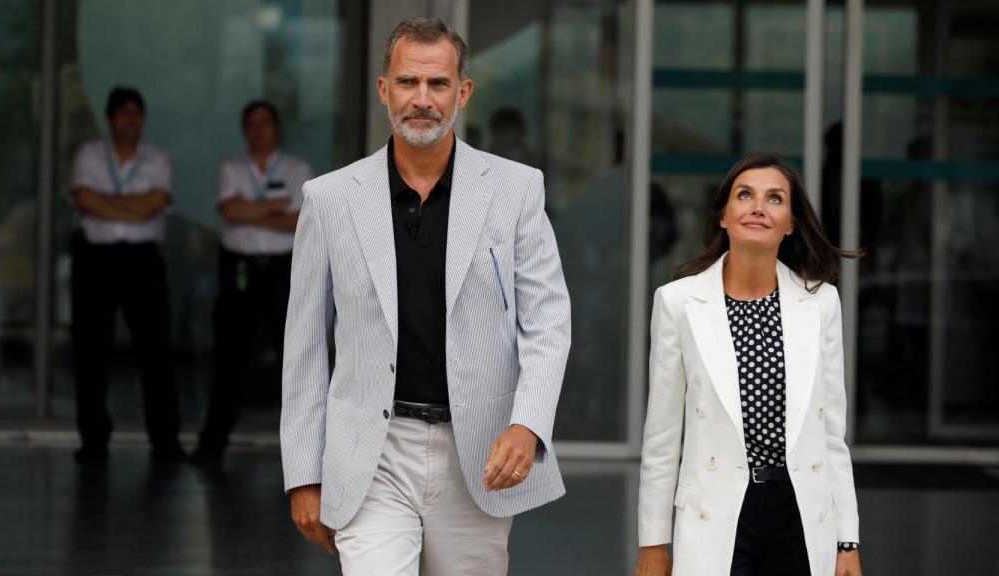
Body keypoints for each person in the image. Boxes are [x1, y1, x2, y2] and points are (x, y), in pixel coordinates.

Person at [281, 17, 571, 575]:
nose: (422, 99)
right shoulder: (329, 199)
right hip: (372, 451)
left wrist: (528, 423)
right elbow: (305, 349)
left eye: (438, 83)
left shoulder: (515, 190)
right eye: (408, 82)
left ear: (463, 92)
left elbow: (548, 321)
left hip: (478, 453)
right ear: (383, 89)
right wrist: (304, 474)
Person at [635, 153, 863, 576]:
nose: (758, 207)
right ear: (724, 216)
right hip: (713, 512)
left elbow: (833, 434)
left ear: (790, 223)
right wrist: (653, 542)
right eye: (745, 195)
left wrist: (847, 541)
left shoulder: (820, 302)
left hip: (800, 512)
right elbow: (661, 436)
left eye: (775, 198)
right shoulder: (678, 302)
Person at [191, 101, 313, 467]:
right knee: (230, 355)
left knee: (295, 359)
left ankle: (306, 453)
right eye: (252, 124)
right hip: (240, 267)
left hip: (283, 268)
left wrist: (251, 211)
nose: (259, 130)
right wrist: (275, 207)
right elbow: (230, 212)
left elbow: (300, 219)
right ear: (245, 130)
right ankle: (212, 445)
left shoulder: (297, 169)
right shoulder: (232, 167)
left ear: (277, 128)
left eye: (266, 122)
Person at [69, 86, 183, 463]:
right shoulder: (89, 154)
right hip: (95, 260)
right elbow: (84, 200)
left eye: (136, 113)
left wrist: (107, 203)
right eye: (122, 113)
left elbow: (154, 204)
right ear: (109, 119)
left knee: (155, 352)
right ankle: (93, 441)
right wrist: (135, 206)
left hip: (141, 262)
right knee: (91, 351)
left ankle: (165, 443)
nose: (130, 120)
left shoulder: (157, 158)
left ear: (143, 119)